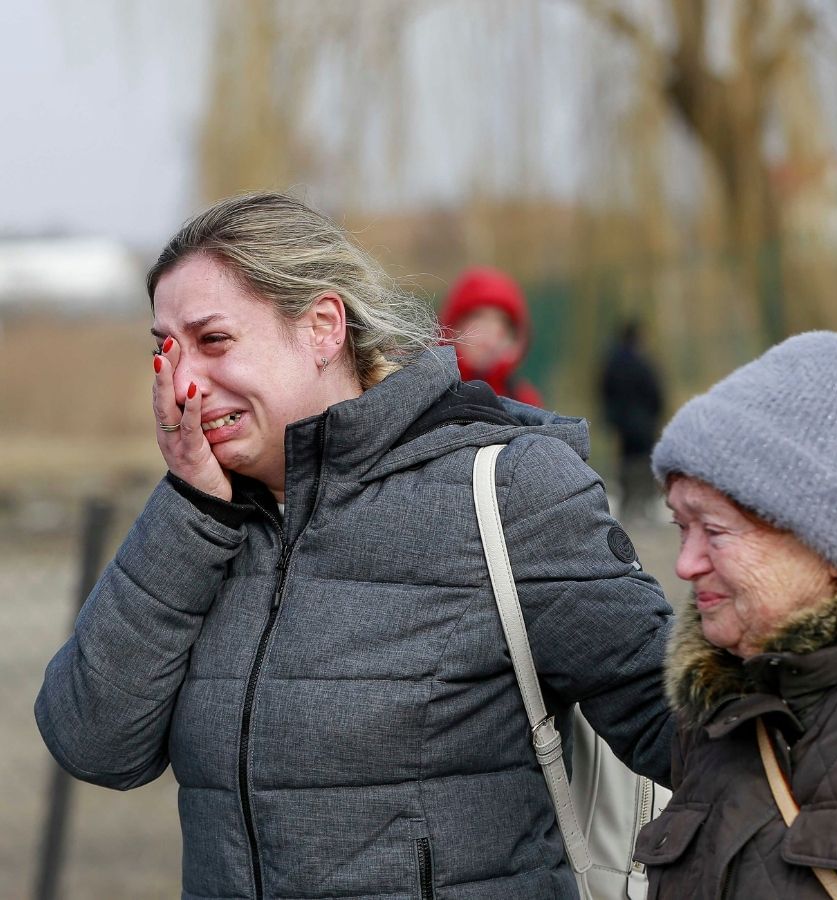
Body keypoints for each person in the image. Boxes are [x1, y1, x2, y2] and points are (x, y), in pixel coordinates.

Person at [35, 191, 675, 900]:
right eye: (165, 349)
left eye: (214, 341)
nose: (183, 383)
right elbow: (93, 743)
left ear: (322, 328)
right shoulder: (203, 516)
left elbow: (686, 728)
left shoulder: (507, 490)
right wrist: (189, 506)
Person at [634, 331, 837, 898]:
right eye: (681, 527)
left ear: (831, 543)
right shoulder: (713, 702)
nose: (684, 564)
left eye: (716, 530)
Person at [439, 265, 543, 405]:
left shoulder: (524, 400)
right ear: (454, 325)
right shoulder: (429, 390)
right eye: (478, 317)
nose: (489, 332)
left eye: (501, 322)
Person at [599, 320, 664, 520]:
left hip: (622, 422)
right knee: (644, 461)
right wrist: (654, 414)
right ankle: (644, 504)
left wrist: (612, 416)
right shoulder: (643, 363)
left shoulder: (612, 363)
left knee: (626, 460)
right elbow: (655, 393)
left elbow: (604, 390)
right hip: (642, 422)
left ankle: (628, 504)